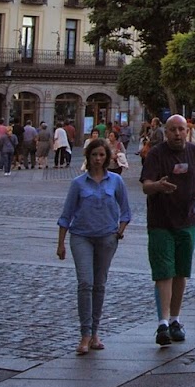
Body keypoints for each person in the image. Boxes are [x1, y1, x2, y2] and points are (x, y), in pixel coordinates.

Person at [55, 137, 131, 355]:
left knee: (99, 285)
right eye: (94, 155)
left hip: (107, 238)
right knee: (85, 283)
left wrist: (120, 230)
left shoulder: (116, 181)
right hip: (81, 237)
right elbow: (66, 215)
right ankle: (85, 334)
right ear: (88, 157)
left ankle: (95, 332)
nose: (98, 159)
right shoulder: (78, 183)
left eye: (101, 155)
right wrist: (61, 243)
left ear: (107, 158)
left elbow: (125, 211)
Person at [139, 114, 195, 346]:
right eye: (172, 130)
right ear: (165, 132)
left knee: (181, 272)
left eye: (181, 129)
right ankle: (162, 323)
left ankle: (176, 320)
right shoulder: (156, 154)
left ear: (186, 131)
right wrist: (158, 186)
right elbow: (146, 186)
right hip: (160, 222)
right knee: (163, 272)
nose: (177, 134)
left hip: (187, 220)